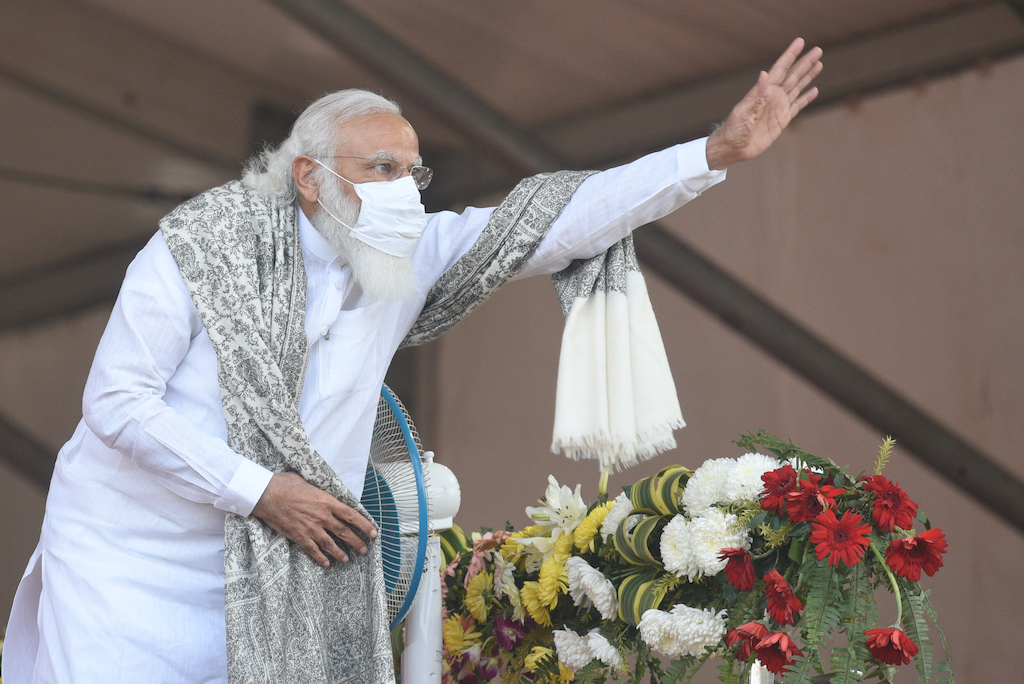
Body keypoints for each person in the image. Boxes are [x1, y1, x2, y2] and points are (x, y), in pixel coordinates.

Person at [3, 39, 822, 684]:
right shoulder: (196, 249)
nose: (409, 188)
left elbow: (560, 218)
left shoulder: (411, 256)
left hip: (279, 578)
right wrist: (261, 491)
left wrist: (711, 154)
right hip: (129, 563)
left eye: (414, 169)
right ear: (310, 179)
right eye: (383, 170)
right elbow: (116, 403)